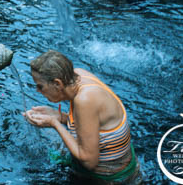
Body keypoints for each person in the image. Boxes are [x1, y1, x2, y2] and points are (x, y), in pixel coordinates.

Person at [23, 51, 140, 184]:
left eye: (40, 86)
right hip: (124, 163)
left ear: (58, 83)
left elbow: (89, 161)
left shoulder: (84, 100)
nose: (37, 91)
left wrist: (54, 123)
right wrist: (61, 117)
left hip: (111, 179)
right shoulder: (78, 75)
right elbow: (91, 124)